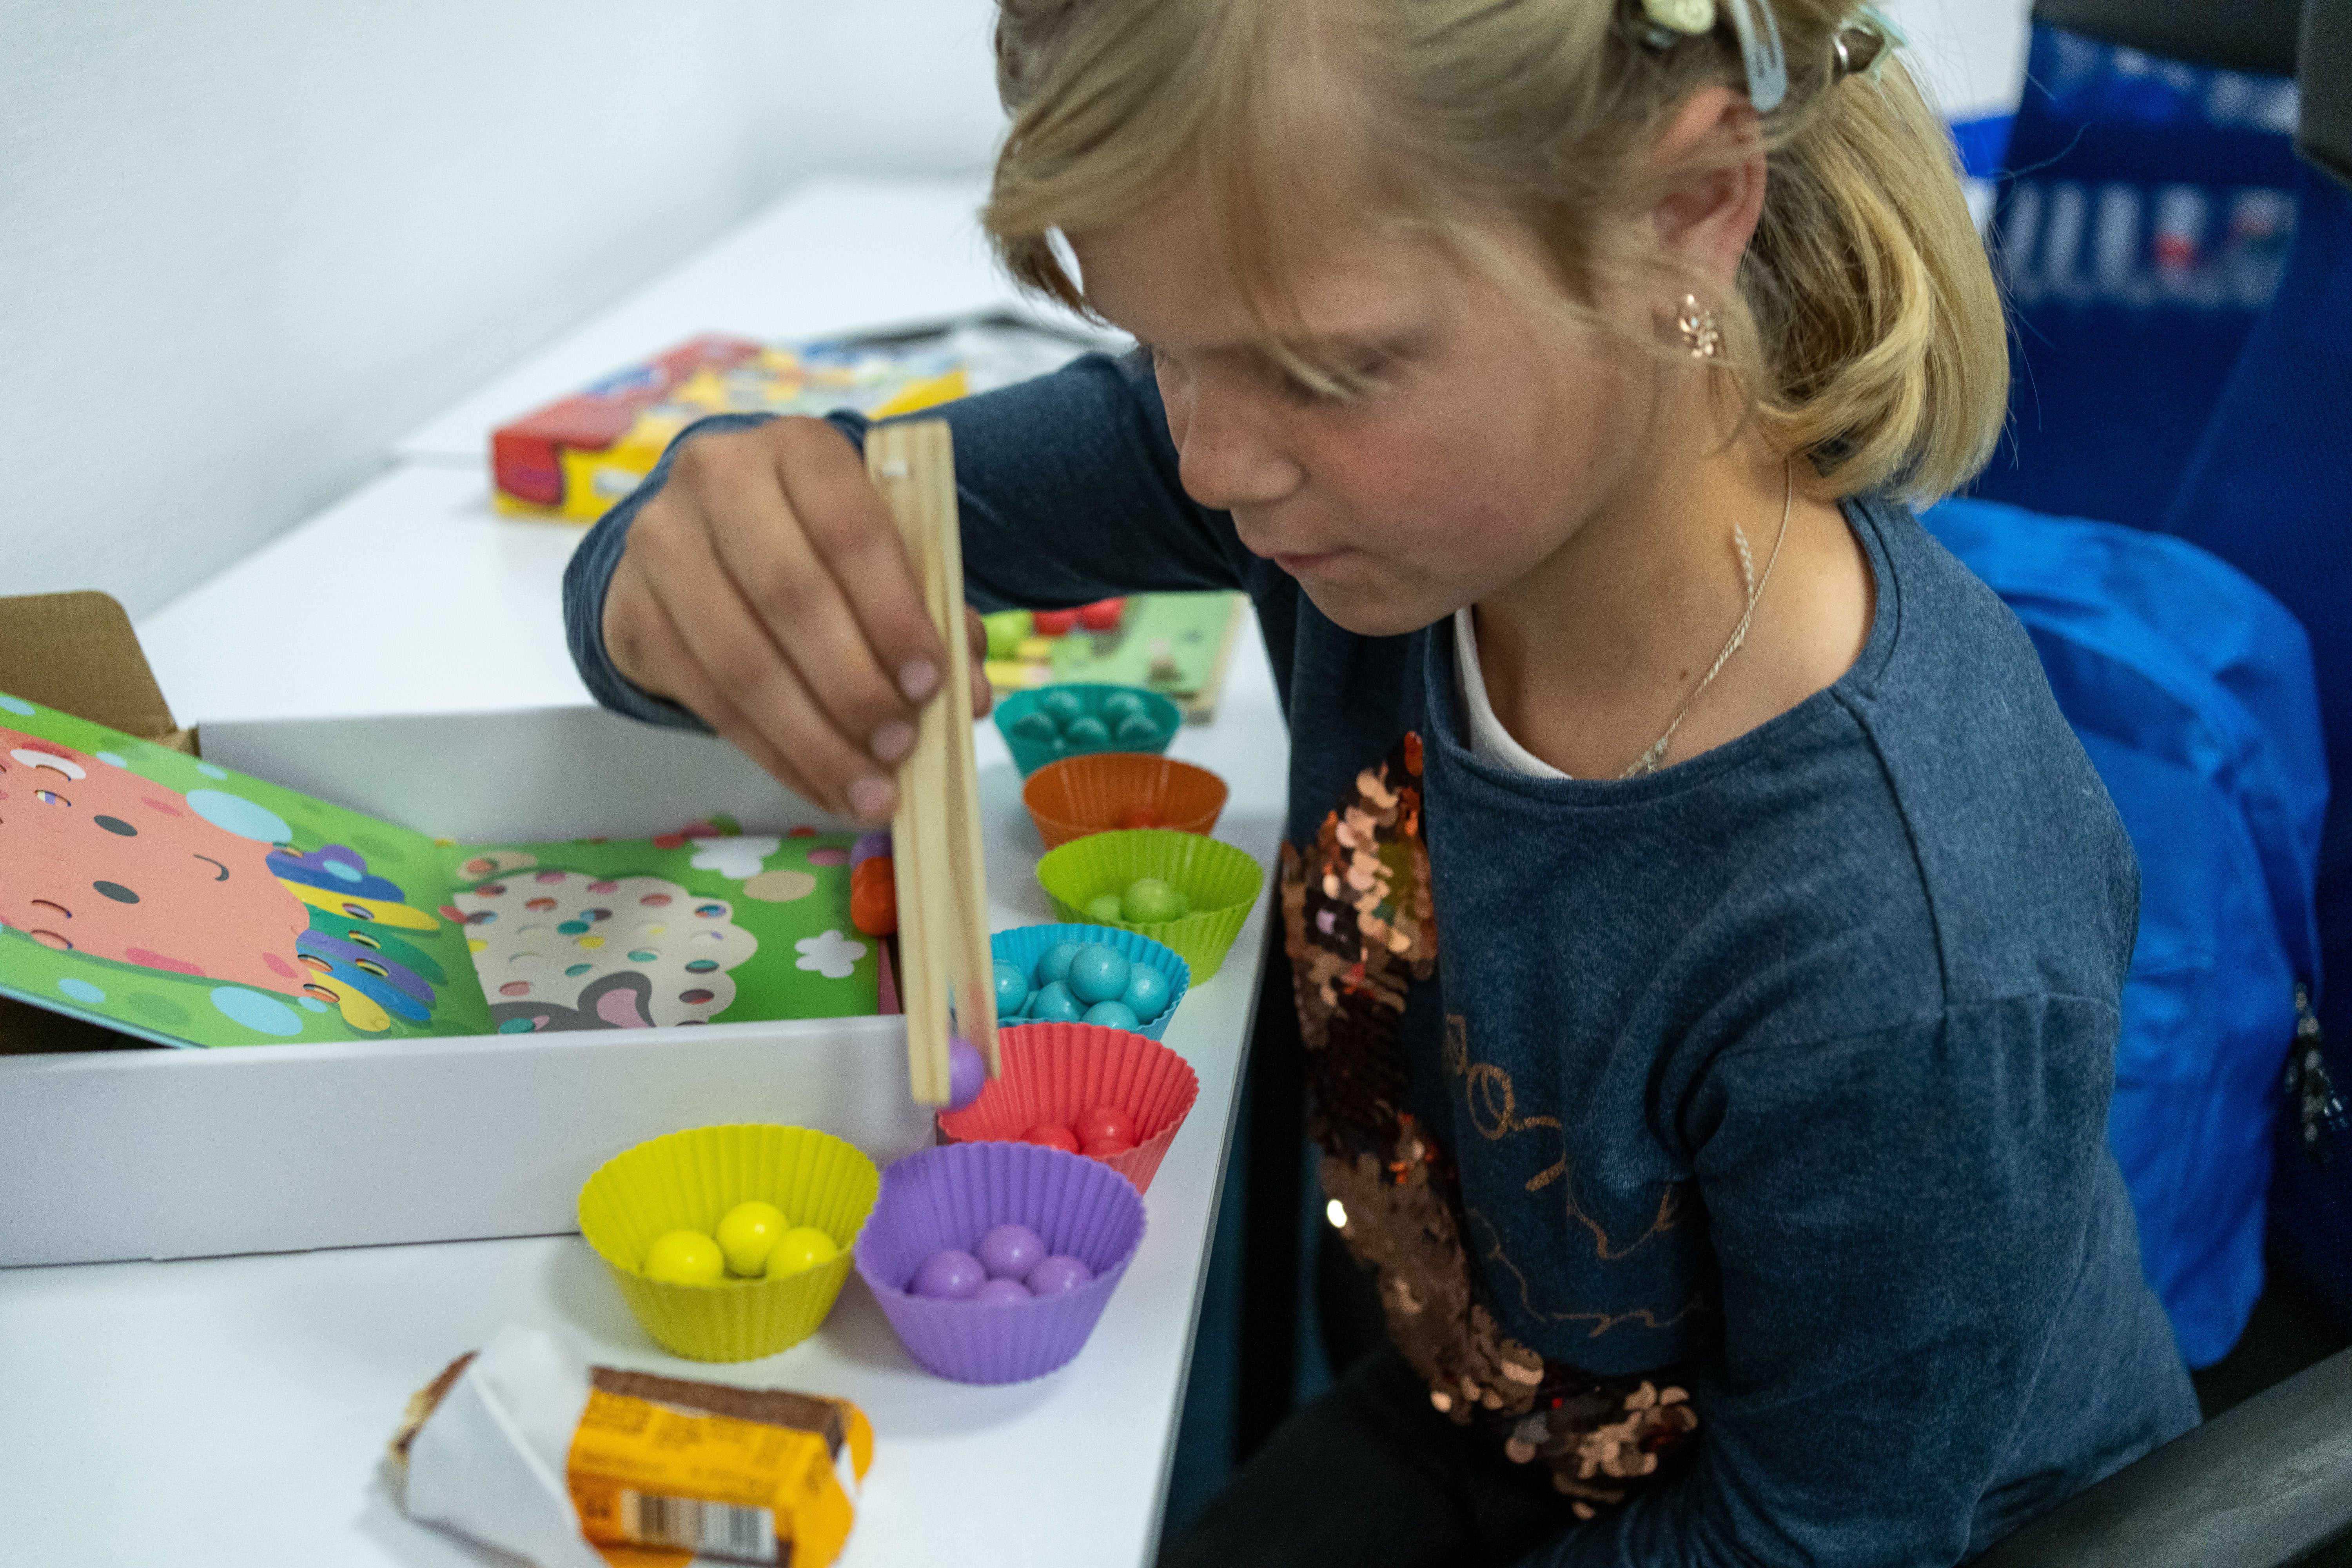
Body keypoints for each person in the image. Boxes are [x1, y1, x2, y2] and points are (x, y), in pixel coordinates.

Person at [563, 0, 2199, 1560]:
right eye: (1162, 349)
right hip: (1491, 1411)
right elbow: (807, 521)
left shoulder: (1899, 943)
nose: (1208, 461)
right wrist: (678, 557)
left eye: (1322, 370)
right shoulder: (1344, 485)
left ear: (1689, 214)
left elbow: (1825, 1530)